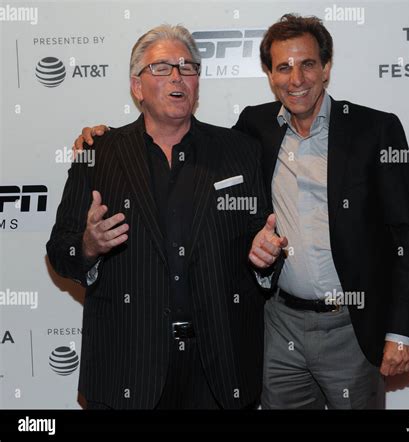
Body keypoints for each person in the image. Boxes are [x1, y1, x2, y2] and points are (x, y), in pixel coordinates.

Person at [74, 14, 409, 410]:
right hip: (278, 327)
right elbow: (184, 141)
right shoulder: (255, 128)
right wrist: (101, 141)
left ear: (326, 68)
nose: (296, 79)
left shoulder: (375, 130)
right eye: (283, 67)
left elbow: (406, 237)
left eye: (308, 64)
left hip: (349, 326)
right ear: (270, 75)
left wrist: (402, 332)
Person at [47, 24, 284, 410]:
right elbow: (60, 251)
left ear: (197, 83)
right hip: (127, 366)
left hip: (220, 369)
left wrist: (264, 258)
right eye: (162, 68)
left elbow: (263, 243)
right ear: (137, 87)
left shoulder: (239, 151)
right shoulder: (98, 152)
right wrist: (87, 247)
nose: (177, 76)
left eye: (187, 67)